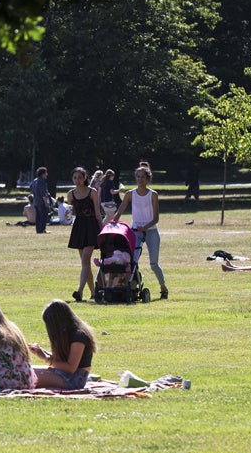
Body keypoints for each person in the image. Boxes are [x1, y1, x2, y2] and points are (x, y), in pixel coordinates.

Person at [109, 166, 166, 298]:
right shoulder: (130, 194)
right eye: (138, 177)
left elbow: (156, 218)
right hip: (136, 232)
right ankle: (132, 286)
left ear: (147, 179)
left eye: (143, 177)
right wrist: (113, 222)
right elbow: (120, 211)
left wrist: (145, 227)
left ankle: (163, 287)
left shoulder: (153, 195)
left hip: (151, 231)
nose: (140, 179)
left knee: (154, 264)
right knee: (131, 261)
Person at [30, 299, 97, 390]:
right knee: (27, 370)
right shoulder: (69, 334)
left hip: (75, 379)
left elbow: (70, 368)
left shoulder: (79, 336)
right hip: (65, 374)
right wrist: (41, 352)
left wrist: (46, 358)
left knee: (25, 375)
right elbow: (63, 361)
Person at [66, 167, 103, 302]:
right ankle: (93, 292)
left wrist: (102, 229)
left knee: (86, 259)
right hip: (79, 227)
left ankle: (80, 291)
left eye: (80, 177)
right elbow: (70, 212)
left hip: (91, 226)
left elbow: (98, 214)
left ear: (85, 178)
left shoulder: (92, 192)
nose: (77, 180)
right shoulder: (71, 194)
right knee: (85, 263)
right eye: (75, 178)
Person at [30, 166, 51, 234]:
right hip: (41, 202)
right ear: (42, 173)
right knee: (43, 216)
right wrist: (46, 202)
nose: (47, 174)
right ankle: (42, 229)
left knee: (38, 217)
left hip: (36, 201)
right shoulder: (41, 181)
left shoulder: (34, 181)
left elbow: (32, 190)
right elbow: (43, 193)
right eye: (46, 173)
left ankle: (38, 230)